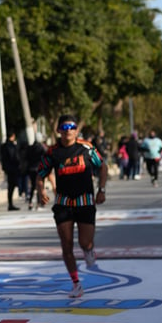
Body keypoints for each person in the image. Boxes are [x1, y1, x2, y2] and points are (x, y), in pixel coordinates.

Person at [36, 114, 108, 298]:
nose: (68, 131)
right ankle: (76, 284)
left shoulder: (87, 148)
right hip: (63, 203)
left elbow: (103, 167)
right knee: (66, 246)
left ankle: (89, 250)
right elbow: (41, 173)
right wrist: (41, 191)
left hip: (85, 202)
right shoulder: (52, 152)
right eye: (64, 128)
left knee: (85, 242)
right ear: (58, 130)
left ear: (77, 130)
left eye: (72, 127)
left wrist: (102, 189)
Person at [0, 131, 21, 211]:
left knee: (11, 186)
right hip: (13, 168)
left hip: (8, 169)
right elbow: (14, 157)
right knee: (12, 186)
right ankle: (11, 204)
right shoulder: (12, 146)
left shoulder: (3, 146)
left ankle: (10, 203)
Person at [24, 138, 47, 210]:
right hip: (39, 169)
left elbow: (26, 158)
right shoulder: (41, 148)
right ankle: (39, 203)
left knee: (33, 186)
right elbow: (45, 158)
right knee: (40, 186)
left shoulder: (30, 148)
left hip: (31, 169)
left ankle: (30, 202)